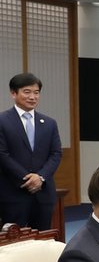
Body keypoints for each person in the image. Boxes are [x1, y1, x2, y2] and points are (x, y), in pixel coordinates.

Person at [0, 73, 62, 230]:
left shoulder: (49, 123)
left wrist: (40, 177)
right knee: (13, 243)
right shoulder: (2, 120)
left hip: (43, 193)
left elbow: (55, 154)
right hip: (13, 193)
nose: (32, 97)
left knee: (43, 241)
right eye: (27, 92)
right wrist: (27, 179)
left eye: (36, 92)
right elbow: (2, 154)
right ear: (13, 93)